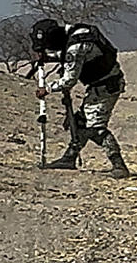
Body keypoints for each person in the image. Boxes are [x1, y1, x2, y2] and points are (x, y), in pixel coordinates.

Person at [31, 18, 130, 179]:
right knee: (79, 122)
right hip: (99, 86)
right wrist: (48, 58)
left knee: (95, 128)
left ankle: (119, 165)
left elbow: (69, 79)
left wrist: (47, 89)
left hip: (107, 87)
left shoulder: (76, 45)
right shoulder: (77, 34)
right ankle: (69, 158)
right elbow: (71, 55)